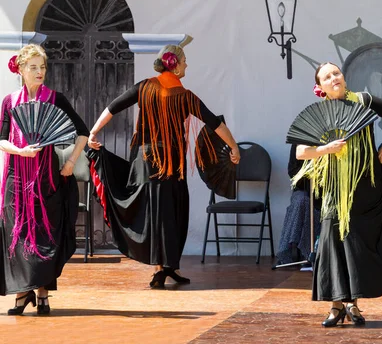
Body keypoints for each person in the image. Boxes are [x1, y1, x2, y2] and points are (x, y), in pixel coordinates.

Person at [87, 44, 239, 288]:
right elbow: (214, 123)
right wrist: (233, 147)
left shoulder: (144, 87)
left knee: (157, 213)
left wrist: (94, 131)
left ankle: (166, 267)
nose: (187, 64)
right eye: (184, 60)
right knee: (171, 213)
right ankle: (162, 268)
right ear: (174, 64)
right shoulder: (185, 96)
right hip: (171, 164)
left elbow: (112, 107)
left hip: (146, 162)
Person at [294, 62, 382, 326]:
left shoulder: (364, 100)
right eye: (327, 76)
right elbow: (302, 152)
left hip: (366, 186)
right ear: (320, 87)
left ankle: (352, 304)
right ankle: (336, 306)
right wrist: (327, 149)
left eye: (336, 73)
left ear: (344, 78)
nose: (334, 78)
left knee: (357, 245)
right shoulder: (320, 113)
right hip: (335, 188)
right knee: (332, 243)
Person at [0, 44, 89, 315]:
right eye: (34, 67)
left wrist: (71, 162)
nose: (40, 72)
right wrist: (21, 151)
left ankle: (42, 292)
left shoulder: (56, 99)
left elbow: (82, 132)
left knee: (44, 234)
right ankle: (23, 291)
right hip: (16, 177)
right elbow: (1, 140)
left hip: (47, 178)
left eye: (43, 67)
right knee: (19, 234)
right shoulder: (9, 102)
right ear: (21, 70)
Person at [275, 144, 321, 266]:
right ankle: (290, 250)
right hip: (303, 188)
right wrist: (310, 174)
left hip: (324, 192)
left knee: (317, 206)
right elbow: (292, 171)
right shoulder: (299, 140)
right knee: (301, 202)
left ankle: (311, 252)